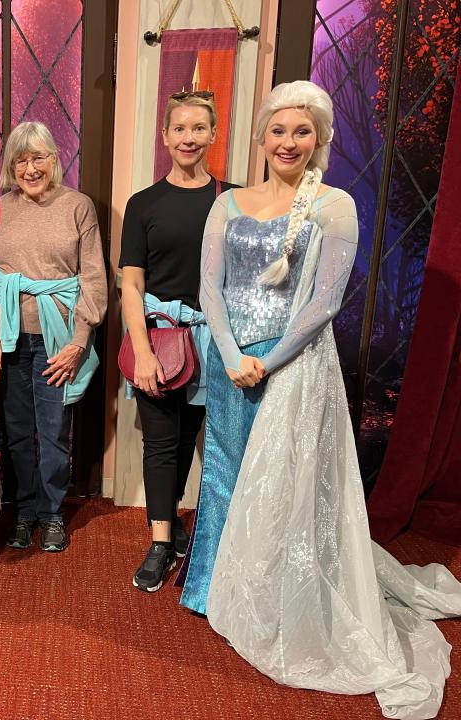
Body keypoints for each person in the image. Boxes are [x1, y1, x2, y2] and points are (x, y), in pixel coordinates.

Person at [190, 80, 461, 718]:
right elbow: (209, 289)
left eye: (302, 131)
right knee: (228, 477)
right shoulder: (227, 204)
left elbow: (325, 303)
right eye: (278, 130)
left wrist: (268, 363)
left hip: (293, 370)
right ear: (260, 137)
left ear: (319, 139)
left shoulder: (334, 205)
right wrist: (231, 356)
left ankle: (282, 599)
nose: (289, 142)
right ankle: (215, 587)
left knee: (289, 488)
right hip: (231, 365)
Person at [120, 90, 237, 592]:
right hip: (159, 338)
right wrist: (142, 351)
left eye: (199, 128)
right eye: (180, 128)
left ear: (213, 135)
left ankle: (193, 530)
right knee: (161, 442)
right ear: (165, 136)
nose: (189, 137)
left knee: (194, 440)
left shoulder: (232, 200)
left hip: (212, 341)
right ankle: (161, 541)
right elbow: (131, 283)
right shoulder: (143, 204)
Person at [0, 121, 107, 552]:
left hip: (58, 341)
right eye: (21, 160)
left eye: (38, 158)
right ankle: (24, 510)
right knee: (14, 432)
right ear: (11, 166)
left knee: (53, 433)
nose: (31, 168)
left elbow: (93, 278)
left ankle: (51, 514)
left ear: (54, 159)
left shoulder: (78, 206)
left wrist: (79, 340)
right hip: (9, 342)